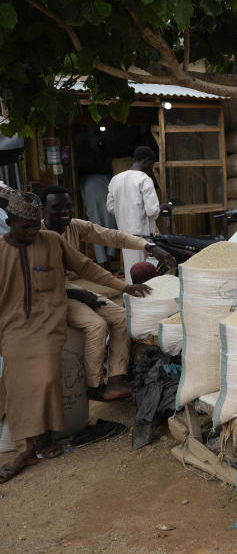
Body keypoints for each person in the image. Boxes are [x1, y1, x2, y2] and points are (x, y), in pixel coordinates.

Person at [0, 191, 150, 484]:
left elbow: (86, 267)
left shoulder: (52, 241)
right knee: (17, 387)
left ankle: (41, 441)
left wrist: (123, 286)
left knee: (45, 380)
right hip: (12, 326)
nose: (32, 232)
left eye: (35, 226)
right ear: (11, 222)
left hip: (47, 322)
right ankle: (27, 447)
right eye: (25, 228)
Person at [40, 186, 176, 400]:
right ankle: (93, 386)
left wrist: (148, 246)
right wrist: (86, 294)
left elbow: (111, 237)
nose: (64, 212)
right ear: (43, 210)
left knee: (122, 318)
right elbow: (62, 277)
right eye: (56, 207)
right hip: (50, 295)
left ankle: (115, 378)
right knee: (96, 325)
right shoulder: (38, 236)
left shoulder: (74, 227)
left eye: (68, 206)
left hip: (70, 288)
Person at [107, 146, 162, 283]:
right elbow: (152, 211)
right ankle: (140, 301)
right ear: (146, 160)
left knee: (130, 270)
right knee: (144, 273)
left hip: (125, 235)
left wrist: (126, 212)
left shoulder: (116, 179)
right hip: (143, 236)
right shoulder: (144, 179)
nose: (152, 167)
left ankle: (130, 299)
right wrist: (162, 208)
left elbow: (110, 207)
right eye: (152, 164)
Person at [79, 173, 117, 268]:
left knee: (95, 230)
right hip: (105, 197)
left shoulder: (83, 181)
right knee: (111, 229)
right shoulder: (105, 177)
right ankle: (109, 257)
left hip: (91, 200)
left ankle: (102, 261)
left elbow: (83, 197)